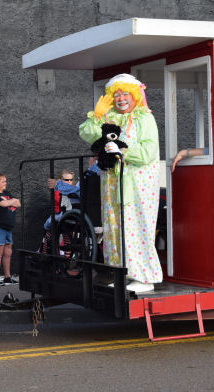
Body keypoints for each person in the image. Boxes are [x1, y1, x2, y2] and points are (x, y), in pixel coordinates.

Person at [79, 73, 161, 293]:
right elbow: (87, 134)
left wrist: (123, 150)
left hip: (137, 185)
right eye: (116, 95)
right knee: (115, 228)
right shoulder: (110, 117)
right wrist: (96, 116)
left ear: (134, 95)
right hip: (112, 184)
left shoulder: (145, 118)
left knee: (136, 227)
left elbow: (148, 152)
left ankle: (144, 278)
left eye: (125, 94)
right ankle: (121, 273)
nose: (121, 98)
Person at [0, 172, 20, 286]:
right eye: (3, 181)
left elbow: (18, 203)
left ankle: (7, 277)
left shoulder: (6, 193)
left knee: (8, 252)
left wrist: (9, 202)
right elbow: (4, 204)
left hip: (8, 228)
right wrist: (11, 202)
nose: (6, 183)